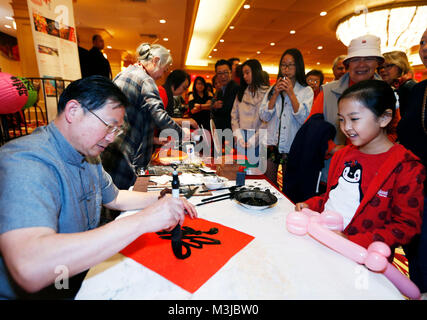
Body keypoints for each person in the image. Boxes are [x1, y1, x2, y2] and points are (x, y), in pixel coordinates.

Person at [0, 75, 197, 299]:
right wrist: (143, 221)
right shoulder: (26, 161)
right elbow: (30, 266)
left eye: (117, 130)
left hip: (75, 277)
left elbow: (114, 198)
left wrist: (161, 200)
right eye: (108, 126)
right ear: (73, 111)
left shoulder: (87, 153)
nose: (111, 138)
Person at [296, 80, 425, 259]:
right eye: (341, 119)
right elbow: (334, 198)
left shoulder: (406, 167)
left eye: (354, 119)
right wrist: (312, 204)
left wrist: (351, 240)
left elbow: (406, 227)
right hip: (325, 246)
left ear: (384, 118)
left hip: (364, 259)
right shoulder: (343, 156)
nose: (346, 127)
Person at [101, 43, 191, 190]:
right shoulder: (145, 80)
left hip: (111, 144)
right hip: (128, 152)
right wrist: (181, 133)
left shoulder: (123, 73)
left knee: (111, 193)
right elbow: (160, 116)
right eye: (164, 69)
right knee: (126, 197)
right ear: (155, 61)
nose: (162, 75)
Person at [307, 34, 385, 186]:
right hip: (332, 173)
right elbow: (311, 130)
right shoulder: (328, 92)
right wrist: (333, 148)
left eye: (368, 58)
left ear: (377, 63)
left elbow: (394, 131)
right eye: (355, 59)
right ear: (348, 64)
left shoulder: (387, 93)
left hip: (374, 176)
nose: (361, 64)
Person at [397, 27, 427, 294]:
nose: (425, 48)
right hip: (412, 183)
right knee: (414, 246)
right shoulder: (419, 91)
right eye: (422, 42)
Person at [259, 48, 313, 186]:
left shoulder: (306, 91)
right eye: (283, 65)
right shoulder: (273, 89)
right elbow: (263, 115)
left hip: (292, 145)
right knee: (269, 184)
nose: (286, 69)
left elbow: (304, 119)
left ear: (298, 66)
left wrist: (291, 93)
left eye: (290, 65)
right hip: (272, 144)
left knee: (290, 186)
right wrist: (275, 94)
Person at [231, 59, 269, 166]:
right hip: (241, 137)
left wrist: (253, 140)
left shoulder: (267, 93)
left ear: (256, 72)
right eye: (243, 74)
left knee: (256, 174)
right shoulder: (241, 92)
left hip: (258, 138)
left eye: (247, 73)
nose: (244, 76)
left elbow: (266, 121)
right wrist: (238, 135)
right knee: (240, 172)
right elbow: (234, 116)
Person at [378, 50, 417, 119]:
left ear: (400, 66)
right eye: (380, 68)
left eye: (388, 66)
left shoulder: (409, 87)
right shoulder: (399, 87)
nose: (382, 70)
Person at [211, 59, 239, 132]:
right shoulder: (220, 91)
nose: (223, 76)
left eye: (226, 72)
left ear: (230, 72)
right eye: (219, 73)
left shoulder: (236, 88)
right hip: (221, 130)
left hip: (231, 130)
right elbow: (217, 112)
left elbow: (229, 111)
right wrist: (215, 107)